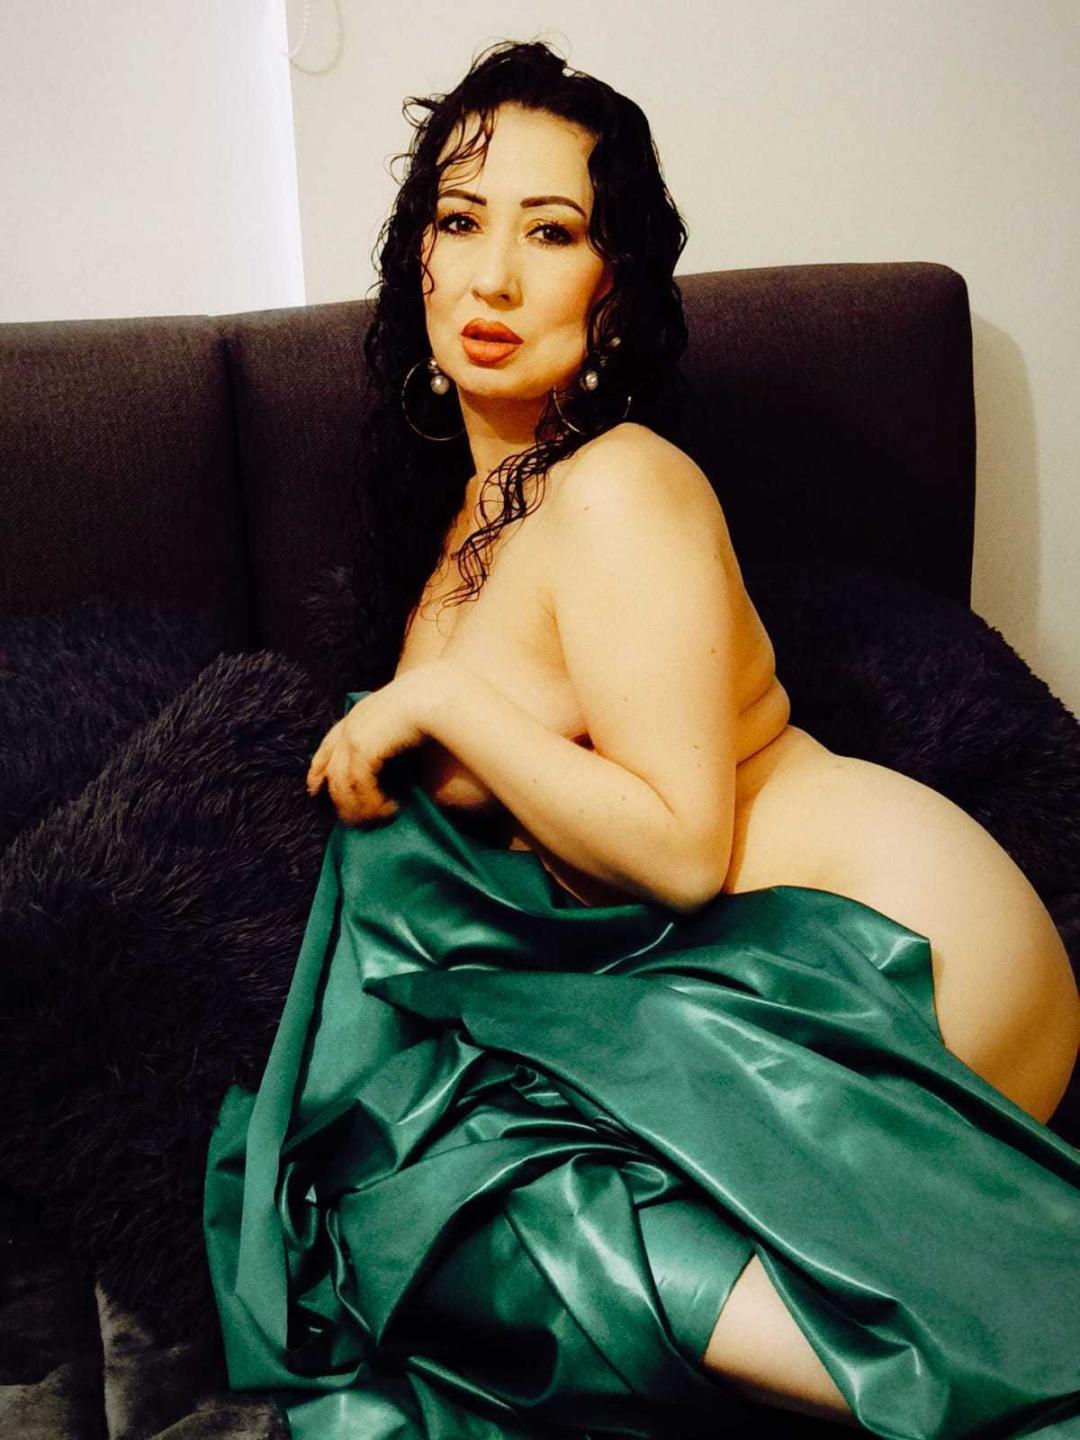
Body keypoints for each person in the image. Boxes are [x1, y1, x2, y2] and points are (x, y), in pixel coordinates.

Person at [203, 39, 1080, 1439]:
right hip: (712, 987)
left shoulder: (620, 485)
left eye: (552, 233)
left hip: (887, 961)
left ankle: (996, 1365)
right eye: (460, 220)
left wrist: (443, 707)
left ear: (614, 290)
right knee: (401, 1193)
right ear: (417, 256)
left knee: (482, 1200)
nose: (494, 278)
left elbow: (678, 850)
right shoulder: (470, 521)